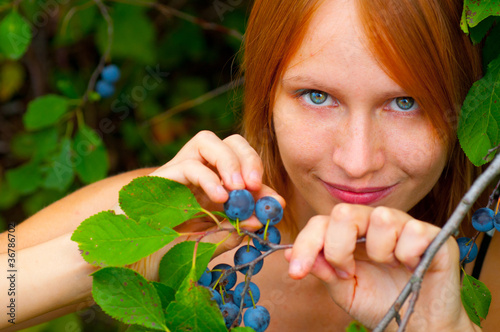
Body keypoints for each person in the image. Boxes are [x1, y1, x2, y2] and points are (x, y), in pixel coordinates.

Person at [0, 0, 497, 330]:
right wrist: (115, 251)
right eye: (318, 96)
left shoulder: (483, 267)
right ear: (267, 96)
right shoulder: (183, 216)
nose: (358, 160)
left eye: (405, 102)